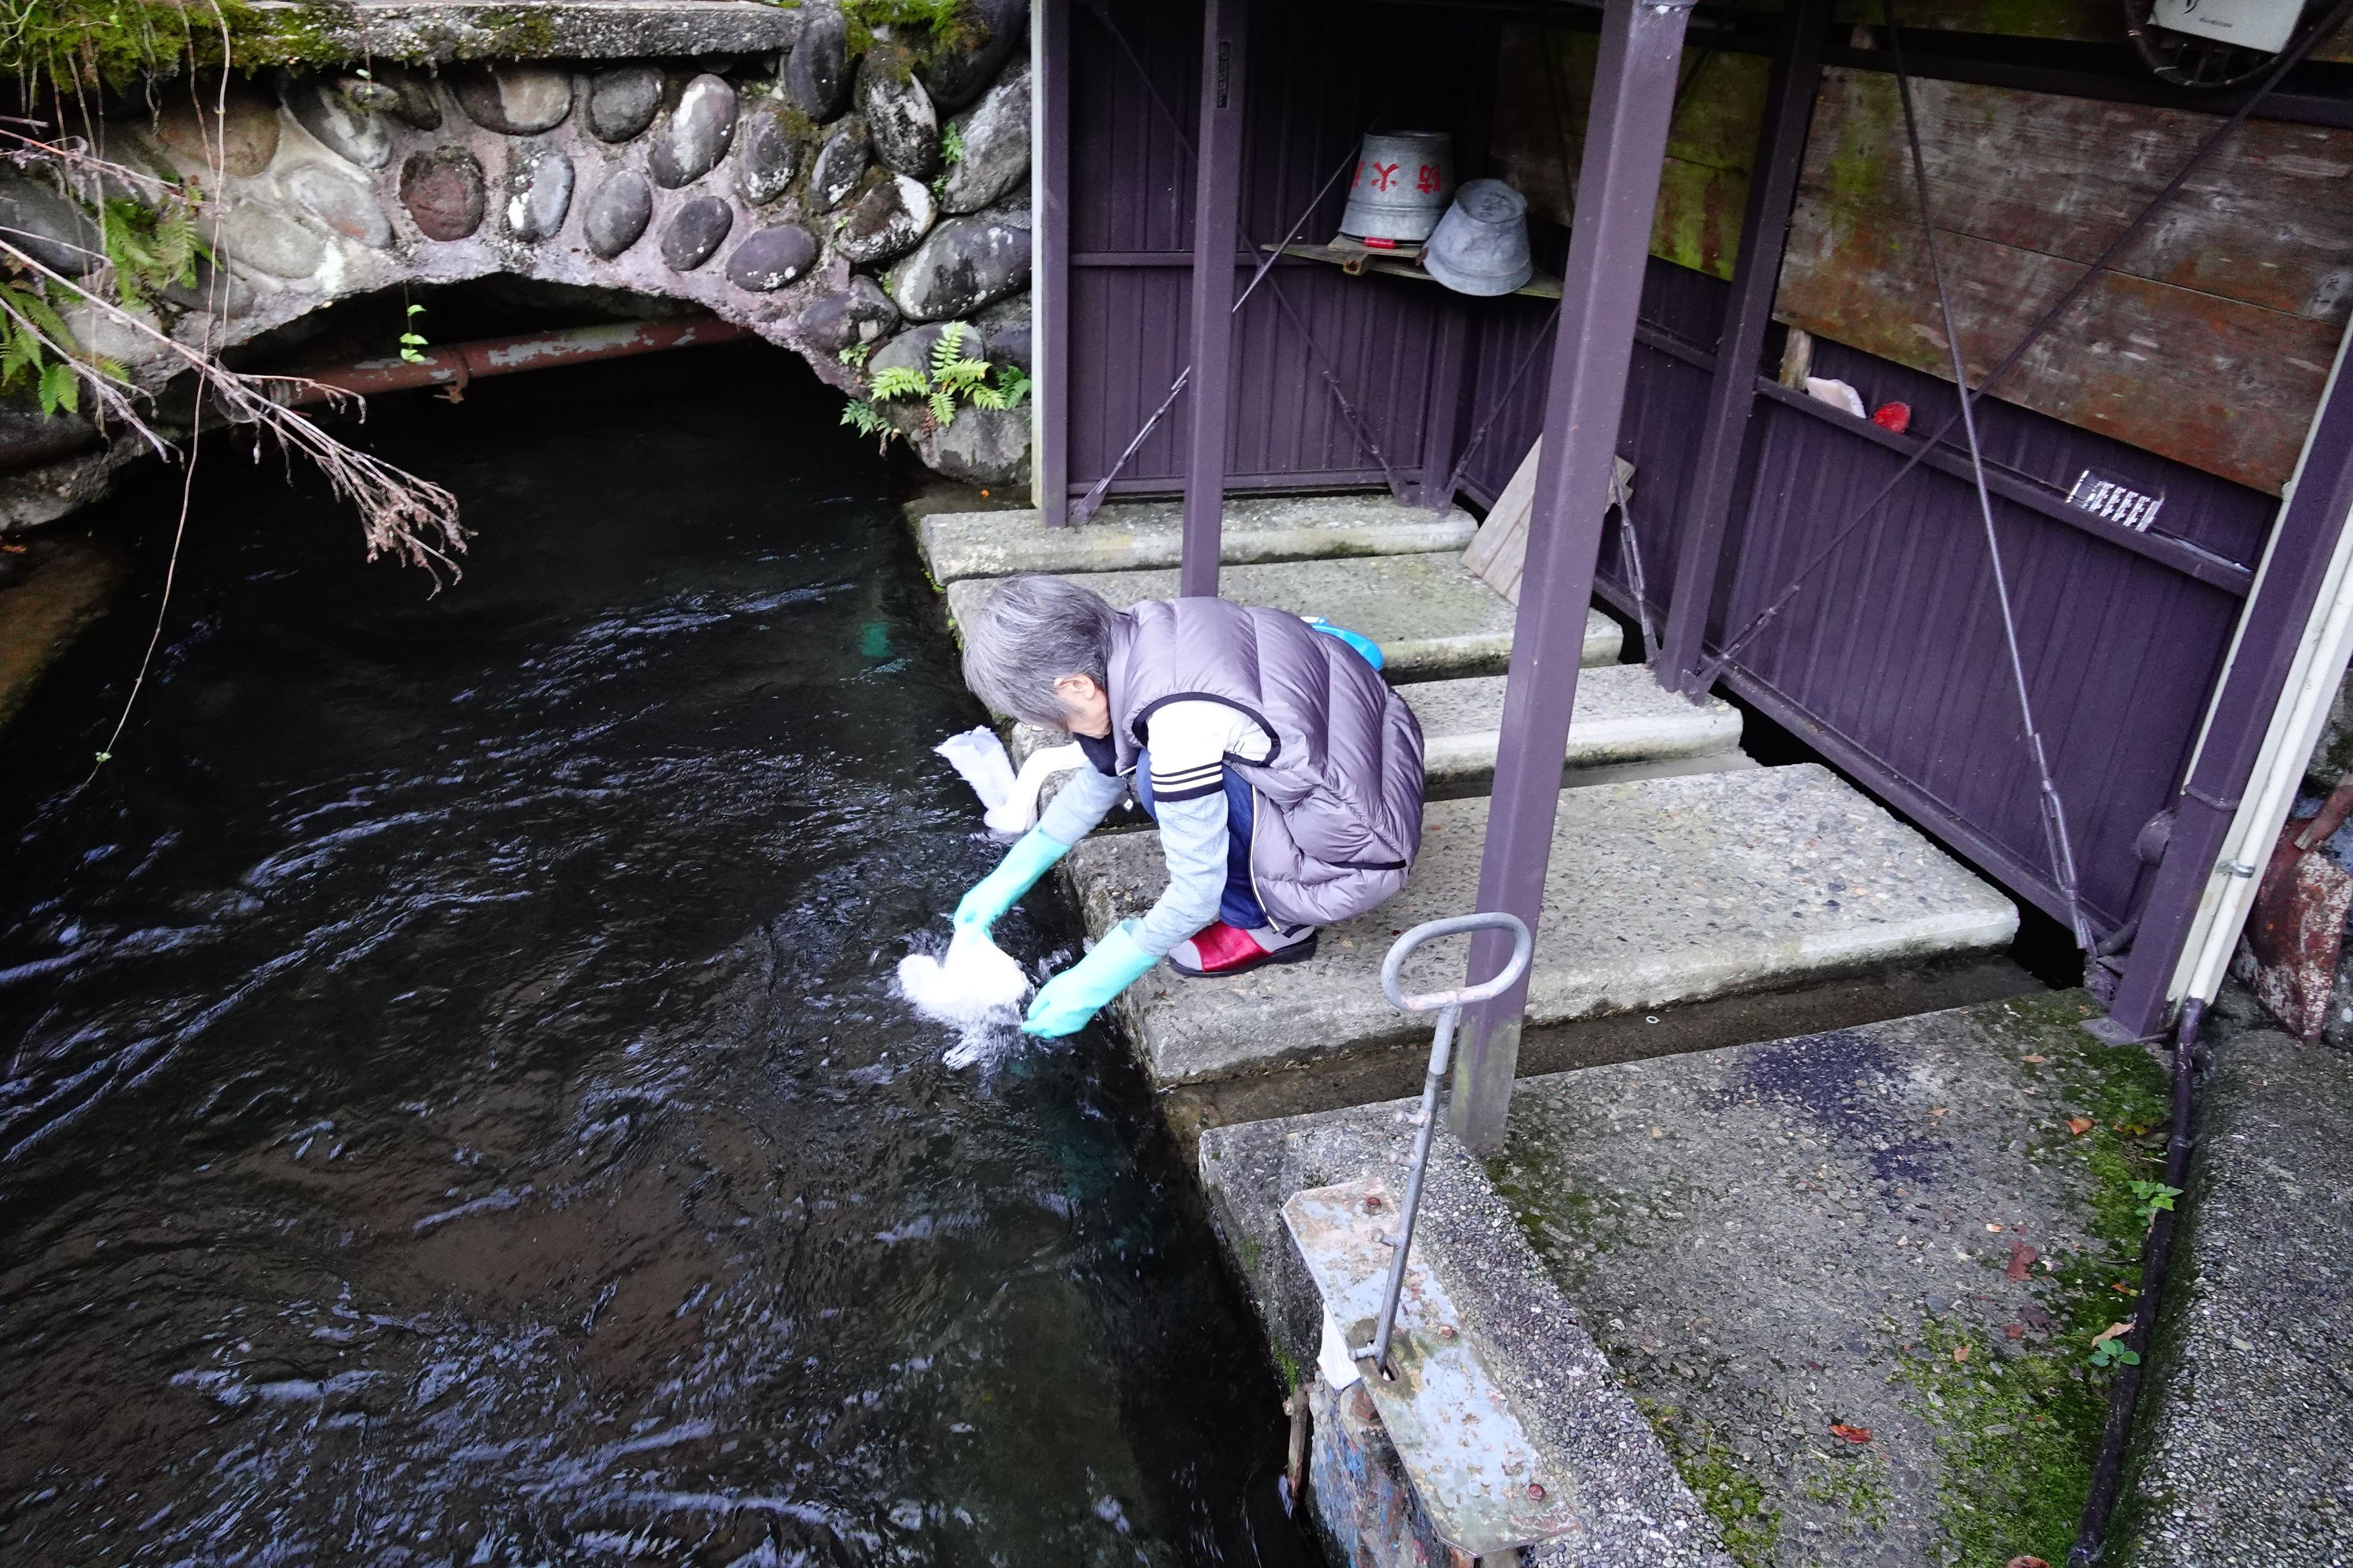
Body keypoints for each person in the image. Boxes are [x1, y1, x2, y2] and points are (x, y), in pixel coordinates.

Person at [952, 574, 1425, 1037]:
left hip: (1359, 850)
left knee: (1154, 777)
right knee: (1153, 764)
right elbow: (1103, 772)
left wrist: (1096, 979)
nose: (1061, 729)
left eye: (1054, 719)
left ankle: (1269, 928)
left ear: (1076, 686)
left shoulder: (1178, 725)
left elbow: (1196, 893)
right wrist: (1011, 875)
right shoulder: (1144, 632)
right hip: (1377, 751)